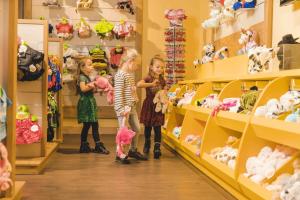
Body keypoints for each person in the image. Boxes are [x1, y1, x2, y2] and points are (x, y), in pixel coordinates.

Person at [114, 49, 147, 164]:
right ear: (130, 61)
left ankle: (133, 150)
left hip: (131, 107)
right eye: (137, 64)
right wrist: (121, 109)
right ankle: (120, 153)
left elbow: (131, 91)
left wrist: (135, 98)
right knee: (123, 133)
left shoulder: (129, 75)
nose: (137, 67)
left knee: (137, 129)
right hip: (123, 109)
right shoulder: (120, 76)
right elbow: (118, 94)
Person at [77, 58, 109, 154]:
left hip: (90, 102)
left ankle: (84, 145)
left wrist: (98, 88)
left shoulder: (87, 77)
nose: (92, 66)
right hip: (86, 103)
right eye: (89, 65)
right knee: (92, 124)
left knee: (88, 125)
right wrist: (93, 84)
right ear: (82, 68)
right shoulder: (82, 77)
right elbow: (83, 89)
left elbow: (90, 89)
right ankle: (97, 145)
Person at [137, 55, 166, 159]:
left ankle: (157, 147)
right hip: (149, 105)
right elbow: (139, 84)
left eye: (162, 67)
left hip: (158, 106)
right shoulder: (148, 77)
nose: (160, 69)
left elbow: (164, 91)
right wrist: (151, 84)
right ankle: (147, 143)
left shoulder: (162, 79)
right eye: (158, 67)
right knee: (148, 126)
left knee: (158, 127)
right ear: (151, 67)